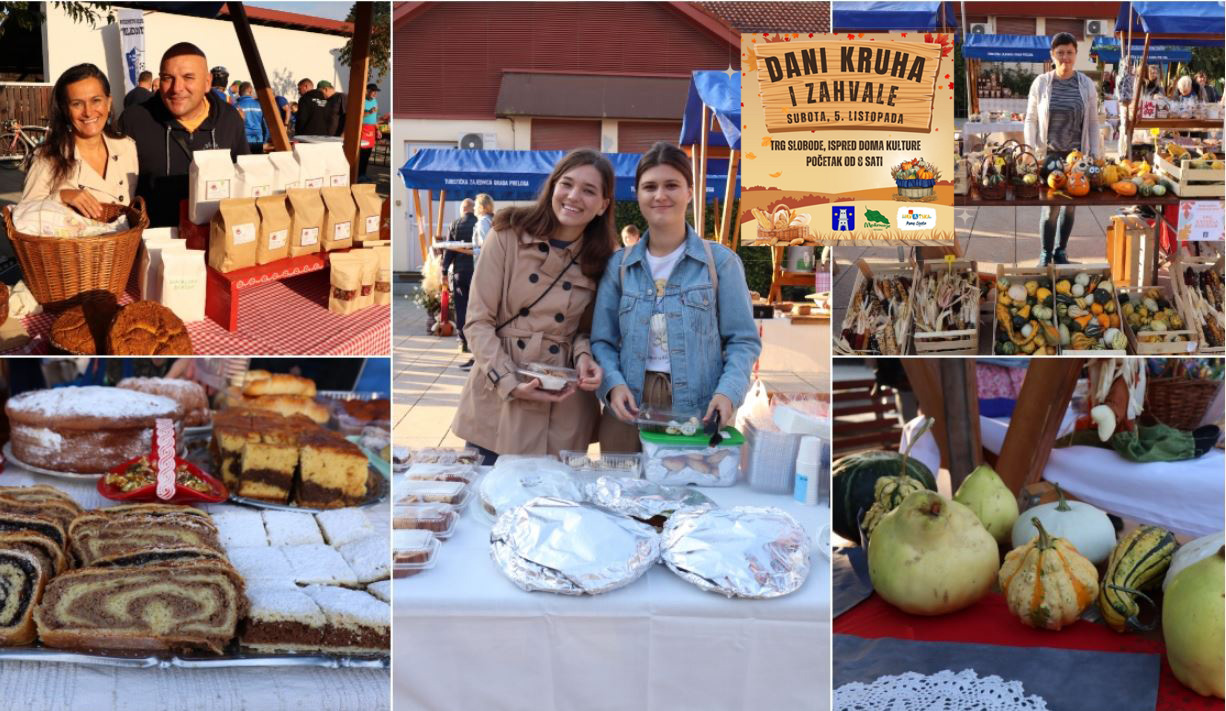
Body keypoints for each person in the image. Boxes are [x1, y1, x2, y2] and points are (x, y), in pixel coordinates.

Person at [591, 142, 760, 453]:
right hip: (626, 410)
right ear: (638, 194)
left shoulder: (720, 263)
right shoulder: (619, 267)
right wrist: (612, 384)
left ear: (689, 192)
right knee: (620, 483)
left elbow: (743, 341)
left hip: (699, 411)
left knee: (691, 484)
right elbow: (602, 341)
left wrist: (728, 392)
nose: (660, 195)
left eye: (671, 185)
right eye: (649, 187)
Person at [450, 149, 612, 463]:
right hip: (500, 396)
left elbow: (586, 332)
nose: (574, 196)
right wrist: (509, 381)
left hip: (563, 404)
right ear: (553, 186)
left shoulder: (603, 258)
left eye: (589, 190)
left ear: (603, 205)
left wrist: (584, 357)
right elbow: (477, 321)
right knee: (487, 492)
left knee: (555, 494)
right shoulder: (507, 235)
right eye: (567, 184)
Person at [120, 43, 249, 227]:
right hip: (153, 240)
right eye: (167, 78)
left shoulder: (229, 119)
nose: (177, 88)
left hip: (214, 238)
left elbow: (243, 182)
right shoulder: (135, 120)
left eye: (188, 77)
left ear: (207, 82)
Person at [21, 63, 138, 218]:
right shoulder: (48, 157)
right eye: (77, 104)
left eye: (96, 100)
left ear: (108, 103)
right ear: (65, 110)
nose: (88, 112)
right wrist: (61, 196)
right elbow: (23, 215)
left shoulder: (126, 147)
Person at [1024, 33, 1101, 266]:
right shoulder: (1041, 83)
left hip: (1076, 157)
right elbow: (1030, 119)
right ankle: (1045, 254)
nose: (1065, 57)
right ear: (1052, 55)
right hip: (1050, 156)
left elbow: (1093, 122)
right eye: (1060, 53)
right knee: (1051, 209)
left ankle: (1061, 251)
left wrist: (1095, 153)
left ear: (1076, 54)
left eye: (1069, 52)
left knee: (1070, 208)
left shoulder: (1086, 84)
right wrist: (1029, 150)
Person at [443, 198, 478, 361]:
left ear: (462, 209)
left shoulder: (454, 224)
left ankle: (463, 341)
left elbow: (449, 250)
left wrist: (444, 270)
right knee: (477, 307)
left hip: (459, 273)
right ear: (473, 209)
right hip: (477, 272)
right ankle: (476, 340)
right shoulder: (479, 223)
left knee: (461, 306)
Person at [235, 82, 267, 154]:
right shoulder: (259, 105)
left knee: (245, 161)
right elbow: (265, 126)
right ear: (250, 91)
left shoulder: (236, 106)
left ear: (239, 93)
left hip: (243, 141)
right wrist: (264, 141)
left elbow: (233, 127)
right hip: (258, 139)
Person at [358, 83, 379, 179]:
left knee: (367, 154)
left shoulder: (375, 101)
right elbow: (359, 115)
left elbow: (374, 117)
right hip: (363, 129)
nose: (375, 93)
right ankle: (358, 175)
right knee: (361, 154)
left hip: (371, 130)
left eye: (376, 92)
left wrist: (377, 129)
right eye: (373, 91)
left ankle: (363, 174)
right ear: (367, 91)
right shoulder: (362, 100)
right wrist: (369, 111)